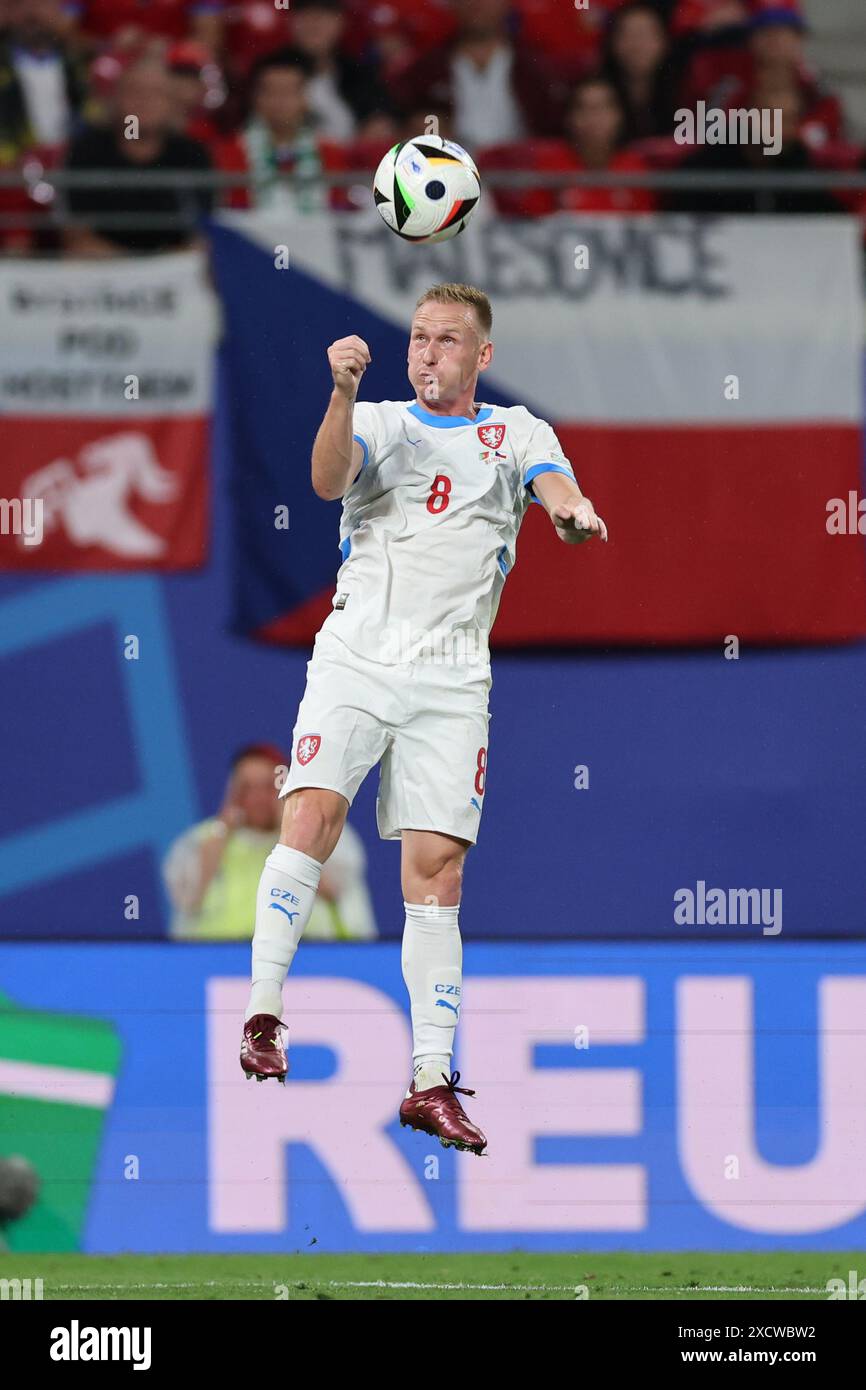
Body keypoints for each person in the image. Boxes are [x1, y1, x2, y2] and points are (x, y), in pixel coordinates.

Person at [239, 282, 608, 1158]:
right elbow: (327, 477)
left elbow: (554, 485)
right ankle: (262, 1014)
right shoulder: (380, 420)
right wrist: (338, 392)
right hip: (358, 657)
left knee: (435, 877)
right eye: (418, 338)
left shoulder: (515, 432)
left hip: (452, 682)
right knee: (312, 813)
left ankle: (430, 1082)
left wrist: (567, 510)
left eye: (447, 340)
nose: (427, 352)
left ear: (481, 356)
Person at [163, 744, 377, 941]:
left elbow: (335, 889)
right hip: (221, 964)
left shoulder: (324, 828)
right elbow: (187, 896)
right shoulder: (205, 838)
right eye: (247, 787)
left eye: (268, 786)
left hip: (311, 961)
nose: (258, 797)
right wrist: (223, 828)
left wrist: (293, 826)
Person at [63, 55, 213, 255]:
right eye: (135, 92)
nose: (144, 102)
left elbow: (203, 233)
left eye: (156, 94)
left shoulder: (192, 154)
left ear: (172, 104)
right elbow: (76, 233)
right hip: (104, 265)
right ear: (116, 99)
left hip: (175, 268)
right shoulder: (88, 150)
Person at [390, 0, 569, 150]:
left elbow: (554, 133)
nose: (477, 4)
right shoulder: (425, 71)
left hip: (522, 175)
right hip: (449, 172)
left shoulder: (537, 69)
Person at [213, 46, 346, 212]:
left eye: (287, 92)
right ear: (255, 99)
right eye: (270, 92)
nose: (279, 101)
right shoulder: (229, 154)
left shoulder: (333, 155)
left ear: (305, 98)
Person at [601, 1, 682, 141]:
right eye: (627, 34)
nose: (637, 45)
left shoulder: (685, 91)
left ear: (665, 41)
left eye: (646, 34)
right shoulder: (597, 92)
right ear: (612, 43)